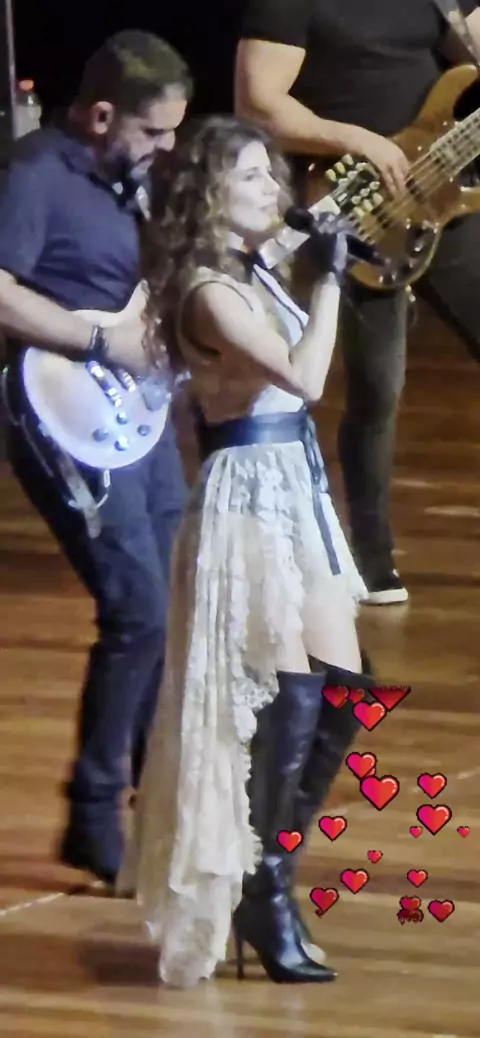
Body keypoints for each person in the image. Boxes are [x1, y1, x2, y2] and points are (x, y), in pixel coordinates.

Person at [119, 114, 385, 989]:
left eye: (273, 174)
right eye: (252, 178)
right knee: (288, 693)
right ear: (209, 196)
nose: (275, 188)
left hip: (291, 486)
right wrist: (331, 278)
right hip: (248, 495)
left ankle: (268, 871)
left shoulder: (248, 270)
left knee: (343, 688)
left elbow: (292, 279)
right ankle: (264, 891)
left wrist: (324, 246)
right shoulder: (208, 291)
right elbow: (304, 378)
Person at [0, 31, 192, 885]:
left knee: (171, 598)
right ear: (103, 114)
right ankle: (93, 809)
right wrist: (98, 342)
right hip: (66, 416)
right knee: (137, 609)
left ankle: (160, 801)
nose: (166, 147)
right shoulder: (36, 172)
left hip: (137, 417)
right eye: (154, 132)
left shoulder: (128, 180)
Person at [235, 0, 480, 605]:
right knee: (378, 390)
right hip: (357, 204)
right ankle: (372, 557)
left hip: (444, 188)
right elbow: (258, 102)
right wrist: (361, 140)